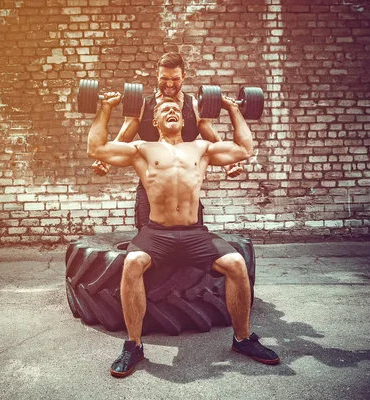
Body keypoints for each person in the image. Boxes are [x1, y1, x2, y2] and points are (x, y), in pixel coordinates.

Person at [87, 90, 280, 378]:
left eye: (174, 108)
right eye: (164, 109)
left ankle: (242, 339)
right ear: (155, 120)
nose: (171, 110)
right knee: (132, 264)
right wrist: (105, 107)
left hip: (194, 233)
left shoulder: (200, 148)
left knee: (237, 264)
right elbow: (97, 149)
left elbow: (244, 148)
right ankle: (134, 345)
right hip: (156, 233)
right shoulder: (142, 149)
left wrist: (231, 108)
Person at [91, 52, 243, 229]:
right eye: (164, 78)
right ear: (157, 74)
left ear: (184, 76)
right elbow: (124, 137)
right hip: (152, 185)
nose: (170, 84)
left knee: (191, 235)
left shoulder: (194, 105)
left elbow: (212, 136)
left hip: (185, 187)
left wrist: (228, 163)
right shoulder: (141, 105)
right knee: (148, 238)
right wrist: (104, 160)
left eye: (175, 79)